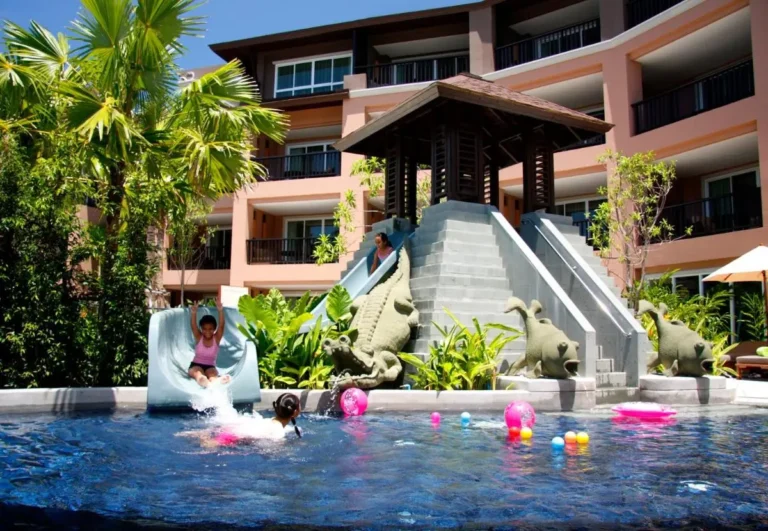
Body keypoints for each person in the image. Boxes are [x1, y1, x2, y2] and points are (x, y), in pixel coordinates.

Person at [188, 299, 230, 388]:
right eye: (204, 329)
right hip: (196, 365)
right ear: (201, 328)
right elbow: (193, 326)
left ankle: (216, 381)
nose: (207, 331)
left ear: (214, 329)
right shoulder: (199, 337)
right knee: (198, 374)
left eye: (210, 329)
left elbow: (221, 326)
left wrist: (220, 310)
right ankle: (203, 381)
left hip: (210, 366)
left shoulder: (216, 338)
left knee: (212, 375)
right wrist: (194, 313)